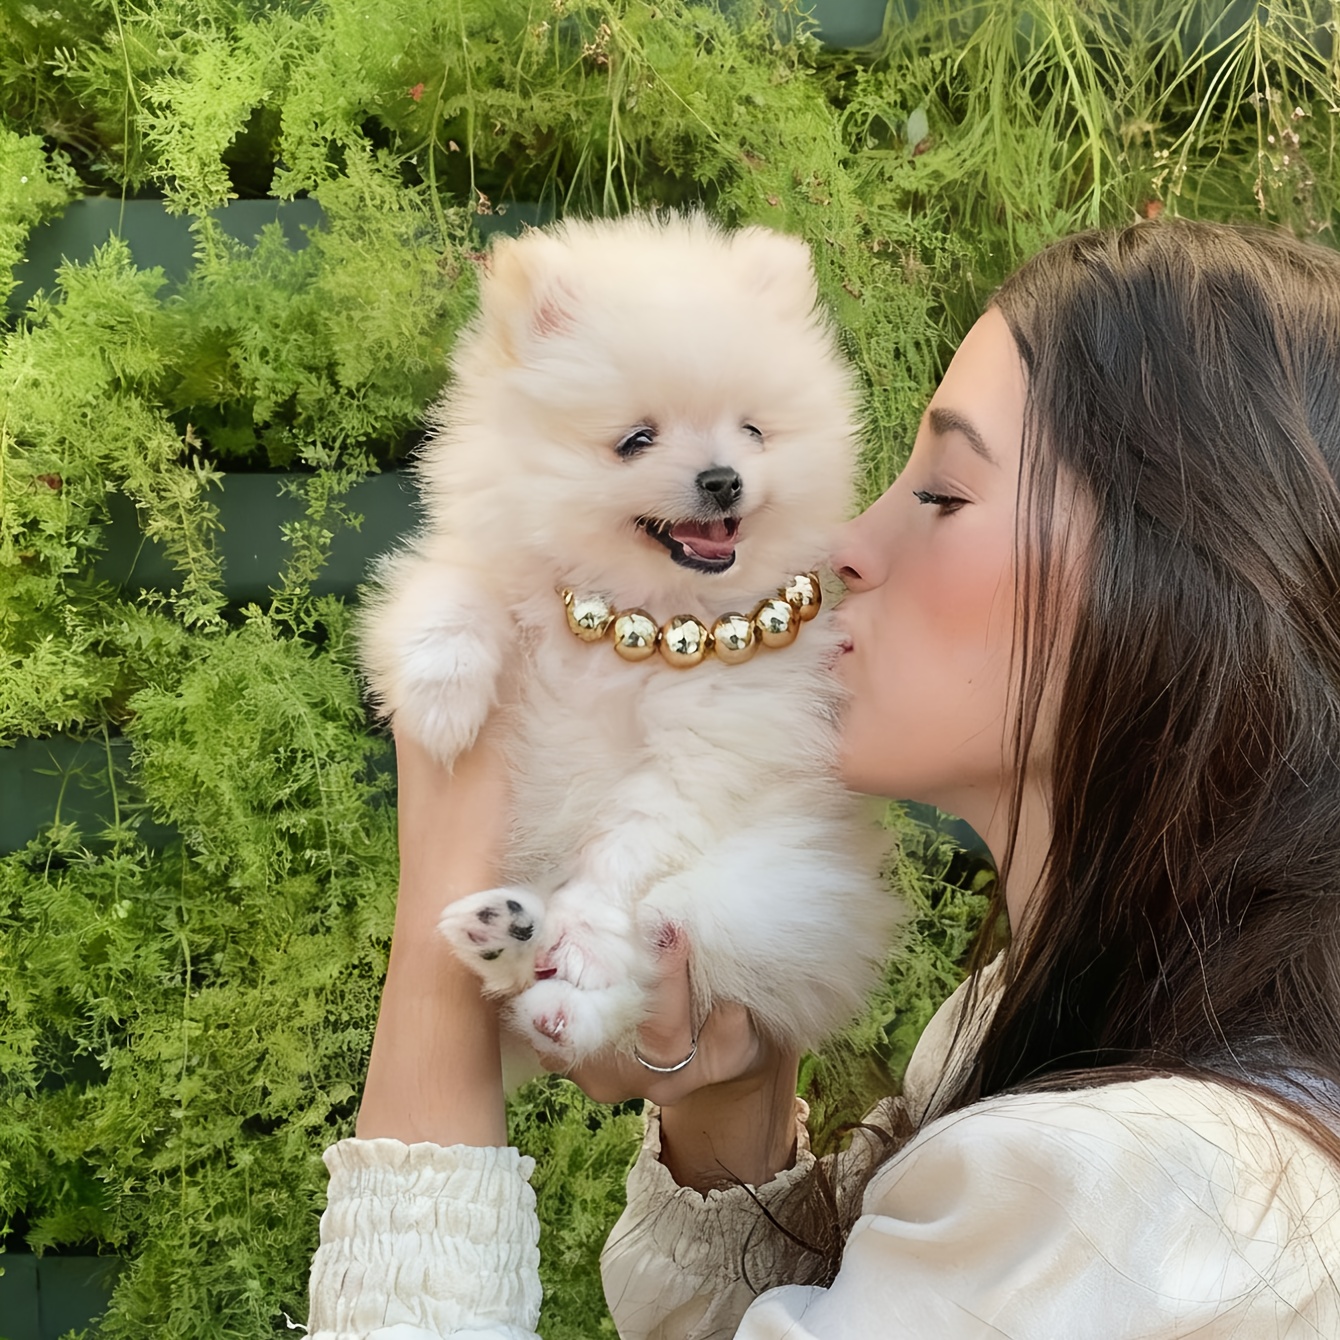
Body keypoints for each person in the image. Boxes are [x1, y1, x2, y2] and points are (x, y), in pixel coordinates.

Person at [306, 220, 1340, 1339]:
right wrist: (732, 1111)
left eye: (942, 492)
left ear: (1189, 582)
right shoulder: (1049, 1023)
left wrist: (436, 937)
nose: (845, 541)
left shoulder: (1136, 1201)